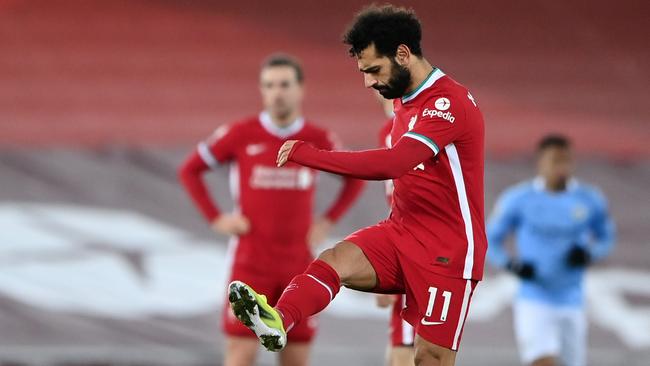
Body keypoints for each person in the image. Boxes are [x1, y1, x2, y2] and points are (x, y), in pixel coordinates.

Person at [227, 5, 487, 366]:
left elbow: (393, 163)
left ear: (402, 53)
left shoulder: (447, 103)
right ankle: (277, 320)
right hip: (401, 232)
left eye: (374, 70)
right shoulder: (403, 100)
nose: (368, 82)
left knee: (428, 359)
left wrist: (311, 155)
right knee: (333, 261)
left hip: (448, 251)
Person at [178, 54, 365, 366]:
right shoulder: (240, 134)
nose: (277, 92)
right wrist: (216, 218)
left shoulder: (318, 139)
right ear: (262, 91)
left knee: (295, 356)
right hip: (252, 263)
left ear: (300, 89)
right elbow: (190, 170)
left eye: (284, 85)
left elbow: (354, 177)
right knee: (240, 354)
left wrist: (329, 219)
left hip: (298, 264)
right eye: (269, 85)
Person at [486, 134, 616, 366]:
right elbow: (490, 240)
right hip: (534, 298)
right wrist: (511, 265)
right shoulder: (519, 199)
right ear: (541, 162)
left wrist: (589, 254)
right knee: (541, 361)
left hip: (572, 299)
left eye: (566, 160)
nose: (561, 167)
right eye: (555, 160)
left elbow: (606, 237)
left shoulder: (589, 199)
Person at [374, 93, 416, 366]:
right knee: (400, 346)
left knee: (407, 347)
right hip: (409, 240)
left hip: (418, 248)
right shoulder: (387, 129)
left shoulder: (414, 124)